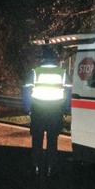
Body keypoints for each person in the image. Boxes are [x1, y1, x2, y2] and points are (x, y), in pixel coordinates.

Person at [24, 48, 66, 178]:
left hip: (38, 110)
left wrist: (28, 109)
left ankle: (35, 167)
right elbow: (68, 94)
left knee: (37, 140)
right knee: (52, 141)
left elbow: (26, 93)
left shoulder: (35, 72)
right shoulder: (62, 73)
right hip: (55, 111)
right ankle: (50, 168)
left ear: (42, 58)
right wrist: (65, 111)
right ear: (55, 58)